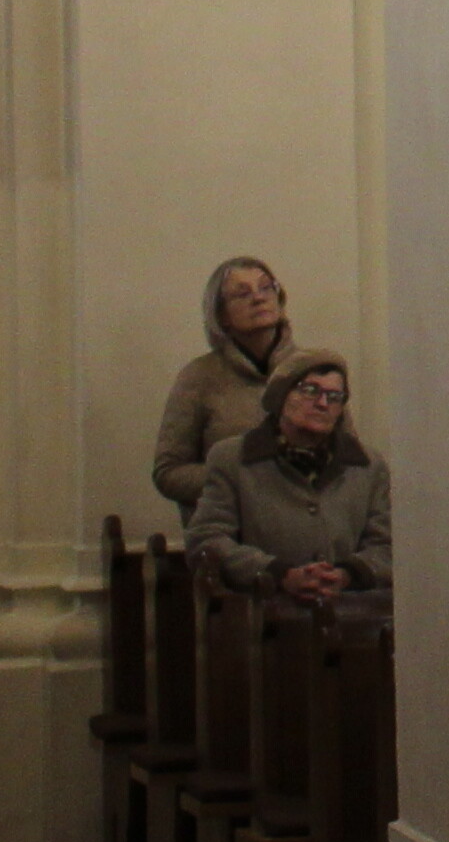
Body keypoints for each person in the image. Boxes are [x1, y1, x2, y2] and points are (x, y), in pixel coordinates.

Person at [180, 349, 392, 600]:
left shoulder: (367, 466)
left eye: (334, 397)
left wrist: (347, 575)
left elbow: (387, 545)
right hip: (264, 611)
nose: (323, 404)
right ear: (281, 396)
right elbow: (207, 539)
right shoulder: (233, 459)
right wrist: (277, 574)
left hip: (349, 610)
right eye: (310, 390)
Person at [150, 253, 293, 517]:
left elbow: (351, 459)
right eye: (242, 294)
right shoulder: (198, 377)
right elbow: (168, 473)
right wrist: (241, 478)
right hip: (226, 530)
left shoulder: (312, 369)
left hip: (305, 527)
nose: (259, 298)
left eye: (266, 287)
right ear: (221, 314)